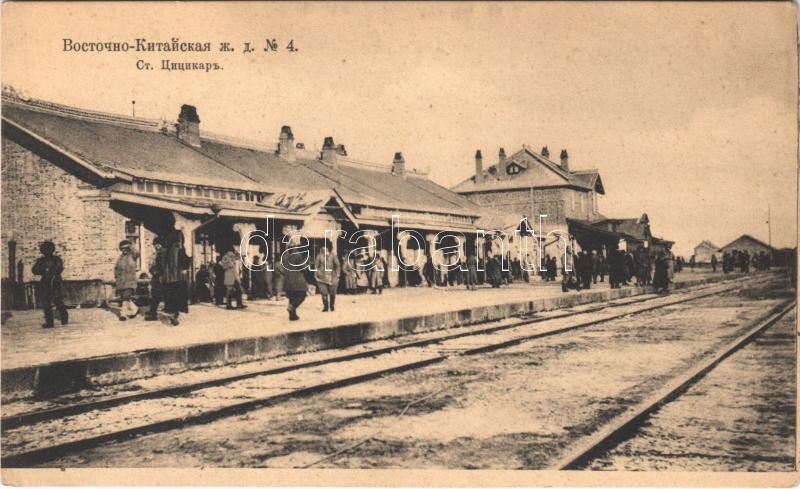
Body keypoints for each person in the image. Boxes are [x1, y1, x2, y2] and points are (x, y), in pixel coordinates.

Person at [146, 232, 189, 325]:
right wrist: (158, 274)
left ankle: (173, 315)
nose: (157, 246)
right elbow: (157, 266)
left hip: (170, 279)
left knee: (171, 298)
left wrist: (183, 270)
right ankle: (171, 314)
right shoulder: (168, 252)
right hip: (168, 278)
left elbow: (184, 262)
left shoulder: (169, 251)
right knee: (165, 297)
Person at [32, 241, 69, 329]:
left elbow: (60, 269)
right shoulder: (42, 260)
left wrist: (51, 271)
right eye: (45, 250)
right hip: (46, 283)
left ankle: (63, 319)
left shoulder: (56, 259)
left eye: (48, 250)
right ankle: (50, 322)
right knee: (47, 303)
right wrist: (44, 270)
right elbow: (34, 270)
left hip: (55, 282)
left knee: (57, 301)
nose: (46, 252)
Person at [283, 235, 308, 321]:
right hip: (297, 279)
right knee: (302, 295)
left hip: (287, 279)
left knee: (292, 297)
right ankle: (292, 307)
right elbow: (303, 268)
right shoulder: (297, 255)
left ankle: (292, 316)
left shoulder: (285, 255)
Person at [114, 240, 140, 321]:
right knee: (125, 298)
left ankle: (123, 314)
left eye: (126, 248)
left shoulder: (133, 256)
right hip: (121, 281)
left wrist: (130, 245)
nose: (124, 250)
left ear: (129, 248)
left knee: (125, 297)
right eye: (122, 248)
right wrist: (116, 277)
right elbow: (116, 269)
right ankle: (135, 309)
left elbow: (137, 253)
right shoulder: (120, 258)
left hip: (130, 281)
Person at [314, 239, 341, 312]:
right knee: (324, 293)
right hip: (321, 277)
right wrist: (316, 274)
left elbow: (338, 265)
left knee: (332, 293)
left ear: (329, 248)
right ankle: (325, 306)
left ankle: (332, 306)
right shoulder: (319, 256)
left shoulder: (333, 256)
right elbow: (316, 266)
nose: (324, 248)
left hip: (332, 277)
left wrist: (338, 274)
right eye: (322, 247)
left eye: (325, 247)